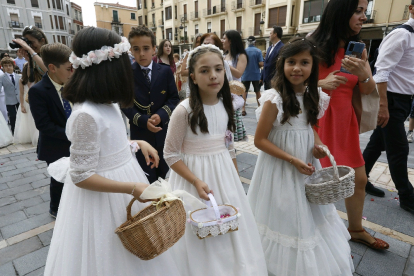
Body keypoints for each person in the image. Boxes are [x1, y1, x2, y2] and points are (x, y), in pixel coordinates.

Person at [44, 27, 180, 276]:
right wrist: (132, 188)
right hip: (103, 197)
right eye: (123, 61)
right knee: (109, 256)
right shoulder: (85, 115)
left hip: (124, 182)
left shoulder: (108, 104)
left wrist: (137, 143)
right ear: (108, 68)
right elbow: (82, 175)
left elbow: (107, 144)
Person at [247, 37, 354, 276]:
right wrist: (291, 159)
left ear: (312, 67)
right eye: (291, 62)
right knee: (282, 210)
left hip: (305, 162)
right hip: (280, 166)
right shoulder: (274, 99)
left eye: (304, 62)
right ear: (282, 65)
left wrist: (318, 145)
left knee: (307, 212)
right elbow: (260, 140)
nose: (297, 68)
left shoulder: (315, 95)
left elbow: (311, 128)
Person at [164, 44, 267, 276]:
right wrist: (195, 180)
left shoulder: (226, 105)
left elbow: (228, 145)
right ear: (193, 76)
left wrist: (234, 175)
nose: (213, 75)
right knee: (196, 230)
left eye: (218, 69)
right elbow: (170, 154)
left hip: (224, 175)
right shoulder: (184, 110)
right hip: (193, 180)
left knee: (228, 226)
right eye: (204, 70)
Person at [311, 0, 389, 250]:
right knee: (315, 179)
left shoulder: (358, 49)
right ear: (340, 12)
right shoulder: (311, 46)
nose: (363, 17)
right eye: (357, 11)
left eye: (364, 11)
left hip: (345, 120)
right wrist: (321, 84)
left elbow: (366, 89)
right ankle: (311, 232)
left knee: (359, 179)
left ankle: (355, 229)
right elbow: (285, 84)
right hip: (317, 118)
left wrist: (364, 73)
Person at [363, 2, 414, 213]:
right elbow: (381, 71)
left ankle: (360, 179)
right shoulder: (402, 34)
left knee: (377, 143)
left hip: (402, 100)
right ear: (412, 8)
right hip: (390, 99)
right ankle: (407, 196)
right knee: (399, 149)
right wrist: (383, 105)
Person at [122, 26, 179, 184]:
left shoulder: (166, 71)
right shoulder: (127, 73)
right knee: (146, 176)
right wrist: (142, 120)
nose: (141, 53)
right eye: (136, 49)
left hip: (164, 133)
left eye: (146, 48)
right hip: (140, 135)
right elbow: (124, 103)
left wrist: (161, 115)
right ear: (131, 50)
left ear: (154, 49)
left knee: (166, 176)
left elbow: (173, 98)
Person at [29, 43, 74, 218]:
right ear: (52, 68)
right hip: (55, 145)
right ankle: (55, 209)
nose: (73, 73)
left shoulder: (72, 84)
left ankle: (73, 206)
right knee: (59, 180)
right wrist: (72, 135)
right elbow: (44, 124)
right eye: (69, 69)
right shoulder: (38, 91)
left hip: (76, 142)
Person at [222, 30, 248, 141]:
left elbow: (238, 73)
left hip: (233, 93)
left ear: (231, 41)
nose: (222, 41)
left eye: (224, 38)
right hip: (222, 91)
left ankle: (231, 146)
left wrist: (224, 64)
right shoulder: (225, 55)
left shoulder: (241, 55)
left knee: (231, 122)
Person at [13, 63, 39, 146]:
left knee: (35, 119)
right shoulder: (21, 80)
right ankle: (30, 137)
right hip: (26, 101)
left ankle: (36, 137)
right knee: (27, 120)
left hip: (35, 101)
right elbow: (21, 93)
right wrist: (22, 105)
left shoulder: (37, 78)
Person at [242, 36, 264, 108]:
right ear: (255, 42)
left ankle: (243, 109)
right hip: (256, 74)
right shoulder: (258, 51)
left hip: (245, 74)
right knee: (257, 92)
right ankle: (260, 107)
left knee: (244, 92)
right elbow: (261, 63)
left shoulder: (244, 51)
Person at [0, 57, 20, 134]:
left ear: (13, 66)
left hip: (19, 99)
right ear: (3, 67)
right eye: (5, 66)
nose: (8, 67)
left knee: (20, 116)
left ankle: (20, 130)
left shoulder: (18, 76)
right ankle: (14, 131)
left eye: (9, 65)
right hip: (9, 100)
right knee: (12, 116)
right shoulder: (2, 77)